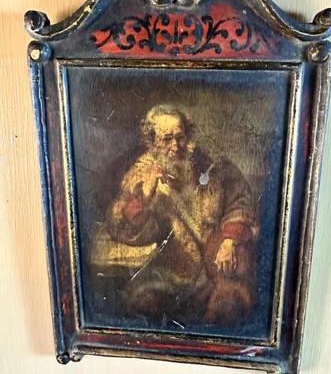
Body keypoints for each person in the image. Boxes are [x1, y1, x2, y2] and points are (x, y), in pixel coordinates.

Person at [92, 104, 259, 326]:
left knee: (228, 308)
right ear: (152, 142)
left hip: (219, 268)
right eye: (167, 139)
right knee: (144, 303)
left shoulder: (214, 167)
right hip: (171, 274)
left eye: (180, 137)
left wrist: (230, 239)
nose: (176, 146)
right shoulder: (140, 176)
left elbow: (242, 202)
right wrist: (143, 199)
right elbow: (121, 226)